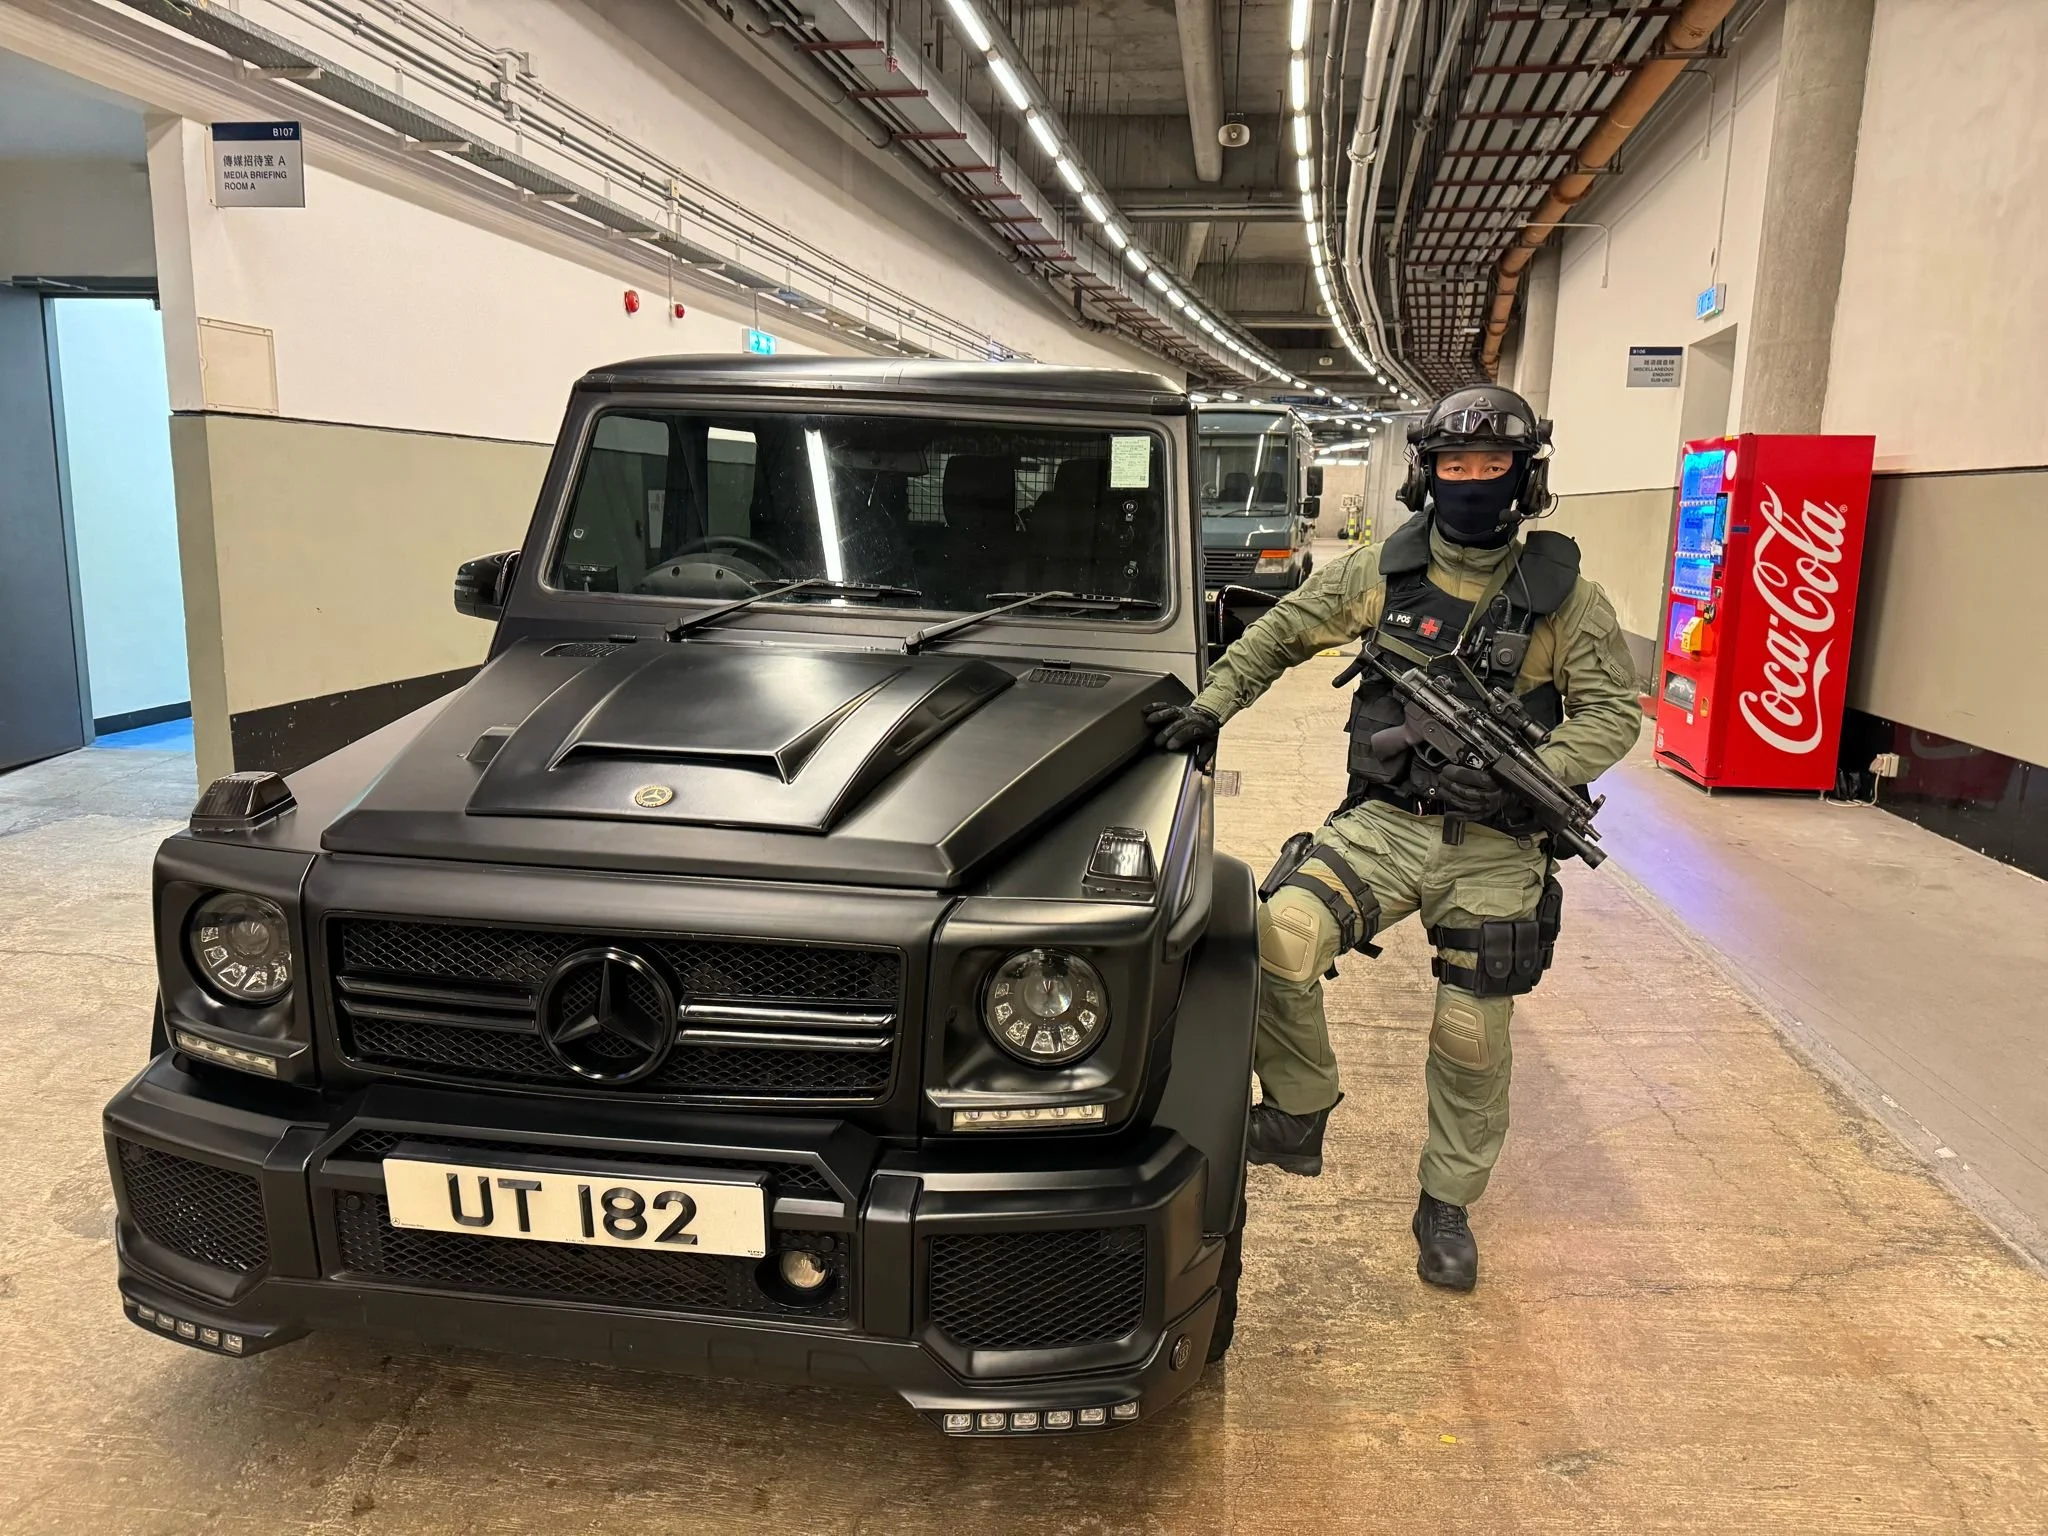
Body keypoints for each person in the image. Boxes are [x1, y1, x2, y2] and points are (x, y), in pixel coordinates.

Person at [1146, 386, 1643, 1292]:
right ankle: (1298, 1110)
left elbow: (1613, 712)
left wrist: (1522, 768)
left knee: (1469, 1031)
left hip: (1495, 845)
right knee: (1277, 937)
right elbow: (1281, 633)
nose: (1473, 485)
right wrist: (1209, 706)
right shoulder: (1380, 573)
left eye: (1494, 469)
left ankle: (1445, 1202)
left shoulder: (1566, 597)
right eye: (1457, 468)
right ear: (1428, 473)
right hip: (1384, 825)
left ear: (1524, 479)